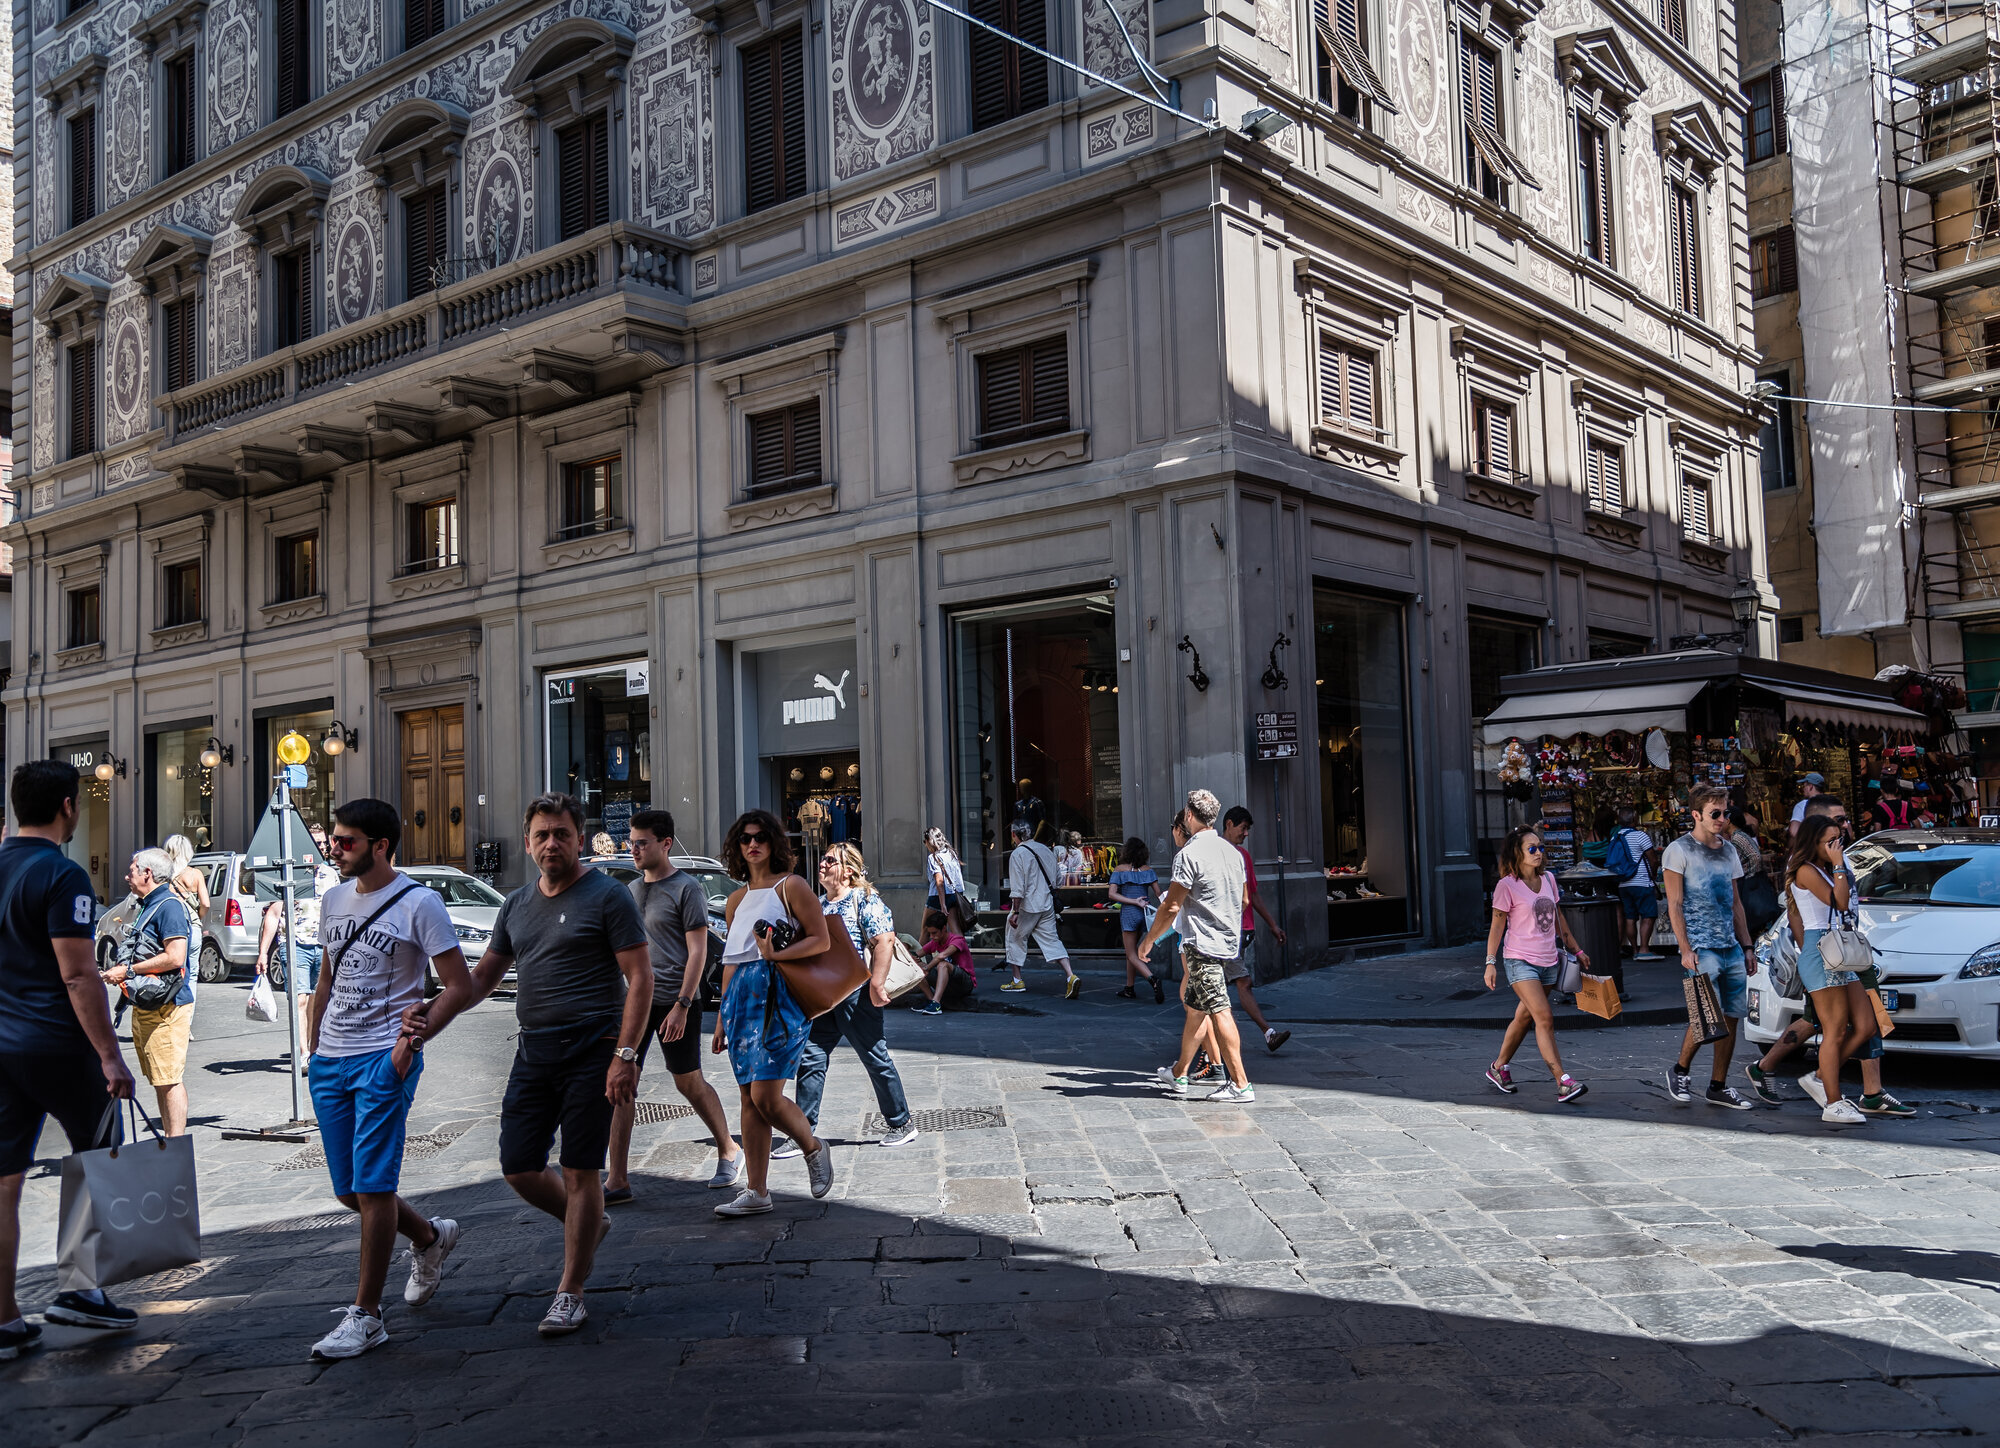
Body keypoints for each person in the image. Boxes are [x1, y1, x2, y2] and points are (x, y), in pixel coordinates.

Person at [413, 794, 652, 1338]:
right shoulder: (516, 904)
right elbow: (477, 982)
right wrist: (428, 1014)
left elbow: (640, 977)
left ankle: (571, 1290)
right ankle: (587, 1223)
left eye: (561, 834)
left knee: (579, 1168)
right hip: (534, 1049)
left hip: (595, 1048)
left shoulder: (608, 896)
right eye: (541, 835)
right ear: (527, 842)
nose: (551, 844)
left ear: (579, 838)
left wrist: (626, 1055)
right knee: (519, 1165)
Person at [304, 798, 474, 1361]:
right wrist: (314, 1044)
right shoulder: (331, 900)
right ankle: (429, 1236)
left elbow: (459, 984)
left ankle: (367, 1315)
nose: (335, 847)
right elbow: (328, 972)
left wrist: (412, 1042)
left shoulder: (419, 903)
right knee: (348, 1190)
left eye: (346, 841)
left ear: (380, 845)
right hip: (332, 1061)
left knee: (374, 1188)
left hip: (384, 1057)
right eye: (334, 838)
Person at [0, 760, 140, 1358]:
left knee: (4, 1183)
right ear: (67, 807)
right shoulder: (61, 875)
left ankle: (4, 1318)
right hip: (57, 1044)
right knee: (96, 1160)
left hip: (0, 1048)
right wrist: (111, 1057)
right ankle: (81, 1290)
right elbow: (80, 975)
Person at [604, 809, 741, 1201]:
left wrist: (683, 1004)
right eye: (631, 842)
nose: (634, 849)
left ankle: (729, 1149)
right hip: (637, 1003)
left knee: (687, 1081)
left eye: (642, 842)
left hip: (676, 1001)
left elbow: (699, 951)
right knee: (620, 1082)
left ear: (665, 844)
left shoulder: (687, 889)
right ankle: (617, 1179)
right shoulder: (631, 891)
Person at [711, 810, 834, 1218]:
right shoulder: (735, 900)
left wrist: (778, 953)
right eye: (745, 838)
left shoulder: (791, 886)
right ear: (737, 846)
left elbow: (820, 939)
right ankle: (757, 1191)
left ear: (775, 842)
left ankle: (813, 1149)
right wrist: (720, 1019)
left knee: (766, 1094)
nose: (753, 843)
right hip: (740, 1001)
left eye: (761, 836)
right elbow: (731, 960)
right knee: (749, 1096)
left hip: (779, 997)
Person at [789, 843, 917, 1150]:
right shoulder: (819, 904)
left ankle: (902, 1123)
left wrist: (878, 984)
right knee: (811, 1056)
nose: (822, 863)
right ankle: (802, 1133)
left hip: (856, 992)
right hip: (826, 993)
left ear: (848, 871)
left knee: (874, 1056)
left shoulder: (863, 898)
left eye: (830, 860)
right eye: (823, 858)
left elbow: (884, 940)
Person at [1139, 790, 1253, 1103]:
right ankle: (1179, 1074)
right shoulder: (1232, 852)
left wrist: (1149, 940)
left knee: (1220, 1010)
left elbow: (1171, 906)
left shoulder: (1188, 855)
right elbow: (1244, 900)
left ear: (1189, 816)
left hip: (1203, 945)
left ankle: (1240, 1084)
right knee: (1195, 1010)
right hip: (1229, 941)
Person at [1768, 816, 1870, 1125]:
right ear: (1813, 843)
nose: (1836, 846)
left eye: (1839, 840)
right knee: (1835, 1029)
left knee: (1865, 1025)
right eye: (1830, 842)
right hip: (1821, 952)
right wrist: (1840, 863)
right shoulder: (1806, 871)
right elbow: (1839, 902)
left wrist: (1837, 863)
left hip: (1838, 952)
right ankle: (1833, 1103)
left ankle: (1822, 1076)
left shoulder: (1825, 869)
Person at [1663, 786, 1757, 1110]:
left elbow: (1736, 904)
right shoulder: (1678, 851)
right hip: (1701, 947)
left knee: (1731, 1018)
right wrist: (1684, 948)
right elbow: (1674, 904)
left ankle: (1718, 1085)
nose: (1721, 819)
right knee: (1705, 1016)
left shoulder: (1729, 850)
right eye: (1715, 813)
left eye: (1725, 813)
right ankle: (1680, 1070)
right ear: (1696, 815)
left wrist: (1747, 946)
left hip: (1730, 945)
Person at [1481, 826, 1589, 1103]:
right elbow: (1496, 926)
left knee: (1524, 1017)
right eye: (1532, 848)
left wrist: (1576, 949)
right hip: (1519, 961)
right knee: (1544, 1017)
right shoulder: (1506, 886)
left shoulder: (1550, 879)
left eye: (1541, 847)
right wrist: (1490, 963)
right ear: (1517, 853)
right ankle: (1563, 1081)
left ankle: (1497, 1067)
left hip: (1549, 961)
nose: (1539, 852)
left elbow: (1558, 918)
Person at [100, 849, 195, 1137]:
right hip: (152, 1006)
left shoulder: (168, 906)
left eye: (131, 871)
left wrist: (129, 972)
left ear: (147, 874)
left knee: (168, 1079)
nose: (127, 876)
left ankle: (175, 1145)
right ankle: (171, 1139)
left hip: (168, 1007)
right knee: (160, 1078)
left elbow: (175, 957)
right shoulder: (149, 904)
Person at [1220, 807, 1290, 1053]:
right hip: (1225, 932)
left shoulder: (1244, 856)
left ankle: (1264, 1034)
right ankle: (1213, 1050)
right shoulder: (1217, 855)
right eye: (1243, 828)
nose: (1246, 834)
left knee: (1237, 983)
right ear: (1229, 824)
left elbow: (1252, 895)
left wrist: (1272, 924)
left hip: (1242, 931)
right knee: (1236, 983)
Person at [256, 856, 338, 1049]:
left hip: (324, 945)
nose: (319, 849)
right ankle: (302, 1053)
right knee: (299, 998)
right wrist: (263, 953)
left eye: (321, 844)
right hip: (295, 944)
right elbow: (274, 914)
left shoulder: (330, 874)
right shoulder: (290, 875)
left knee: (316, 1000)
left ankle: (312, 1049)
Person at [1002, 819, 1078, 998]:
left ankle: (1017, 980)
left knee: (1014, 938)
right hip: (1047, 904)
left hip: (1028, 906)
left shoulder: (1017, 854)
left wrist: (1015, 912)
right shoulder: (1045, 849)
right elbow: (1058, 880)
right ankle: (1070, 976)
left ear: (1014, 834)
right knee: (1052, 940)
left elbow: (1018, 888)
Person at [1106, 838, 1164, 1002]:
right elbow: (1160, 895)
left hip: (1129, 913)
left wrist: (1133, 901)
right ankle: (1129, 988)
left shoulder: (1119, 870)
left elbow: (1112, 894)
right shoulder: (1148, 870)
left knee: (1131, 954)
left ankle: (1152, 979)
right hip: (1144, 914)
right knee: (1131, 952)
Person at [1608, 809, 1662, 960]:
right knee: (1648, 915)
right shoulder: (1640, 836)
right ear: (1634, 820)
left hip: (1623, 884)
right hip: (1642, 882)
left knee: (1630, 917)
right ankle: (1644, 948)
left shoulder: (1615, 837)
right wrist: (1652, 875)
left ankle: (1634, 950)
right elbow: (1653, 859)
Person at [913, 910, 976, 1014]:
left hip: (964, 984)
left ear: (943, 929)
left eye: (934, 933)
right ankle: (931, 1000)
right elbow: (917, 954)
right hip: (946, 983)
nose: (932, 937)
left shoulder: (957, 940)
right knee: (915, 966)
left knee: (942, 964)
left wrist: (927, 968)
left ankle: (936, 1003)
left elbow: (942, 956)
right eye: (930, 934)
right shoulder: (934, 942)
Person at [922, 826, 972, 933]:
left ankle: (920, 950)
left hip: (937, 897)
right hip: (954, 895)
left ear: (929, 841)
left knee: (926, 928)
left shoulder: (933, 857)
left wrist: (942, 903)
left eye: (925, 841)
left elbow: (939, 881)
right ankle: (962, 949)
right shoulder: (951, 853)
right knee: (955, 928)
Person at [1788, 772, 1825, 839]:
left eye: (1804, 786)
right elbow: (1850, 833)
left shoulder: (1802, 805)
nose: (1803, 789)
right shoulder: (1833, 803)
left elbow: (1794, 831)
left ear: (1810, 786)